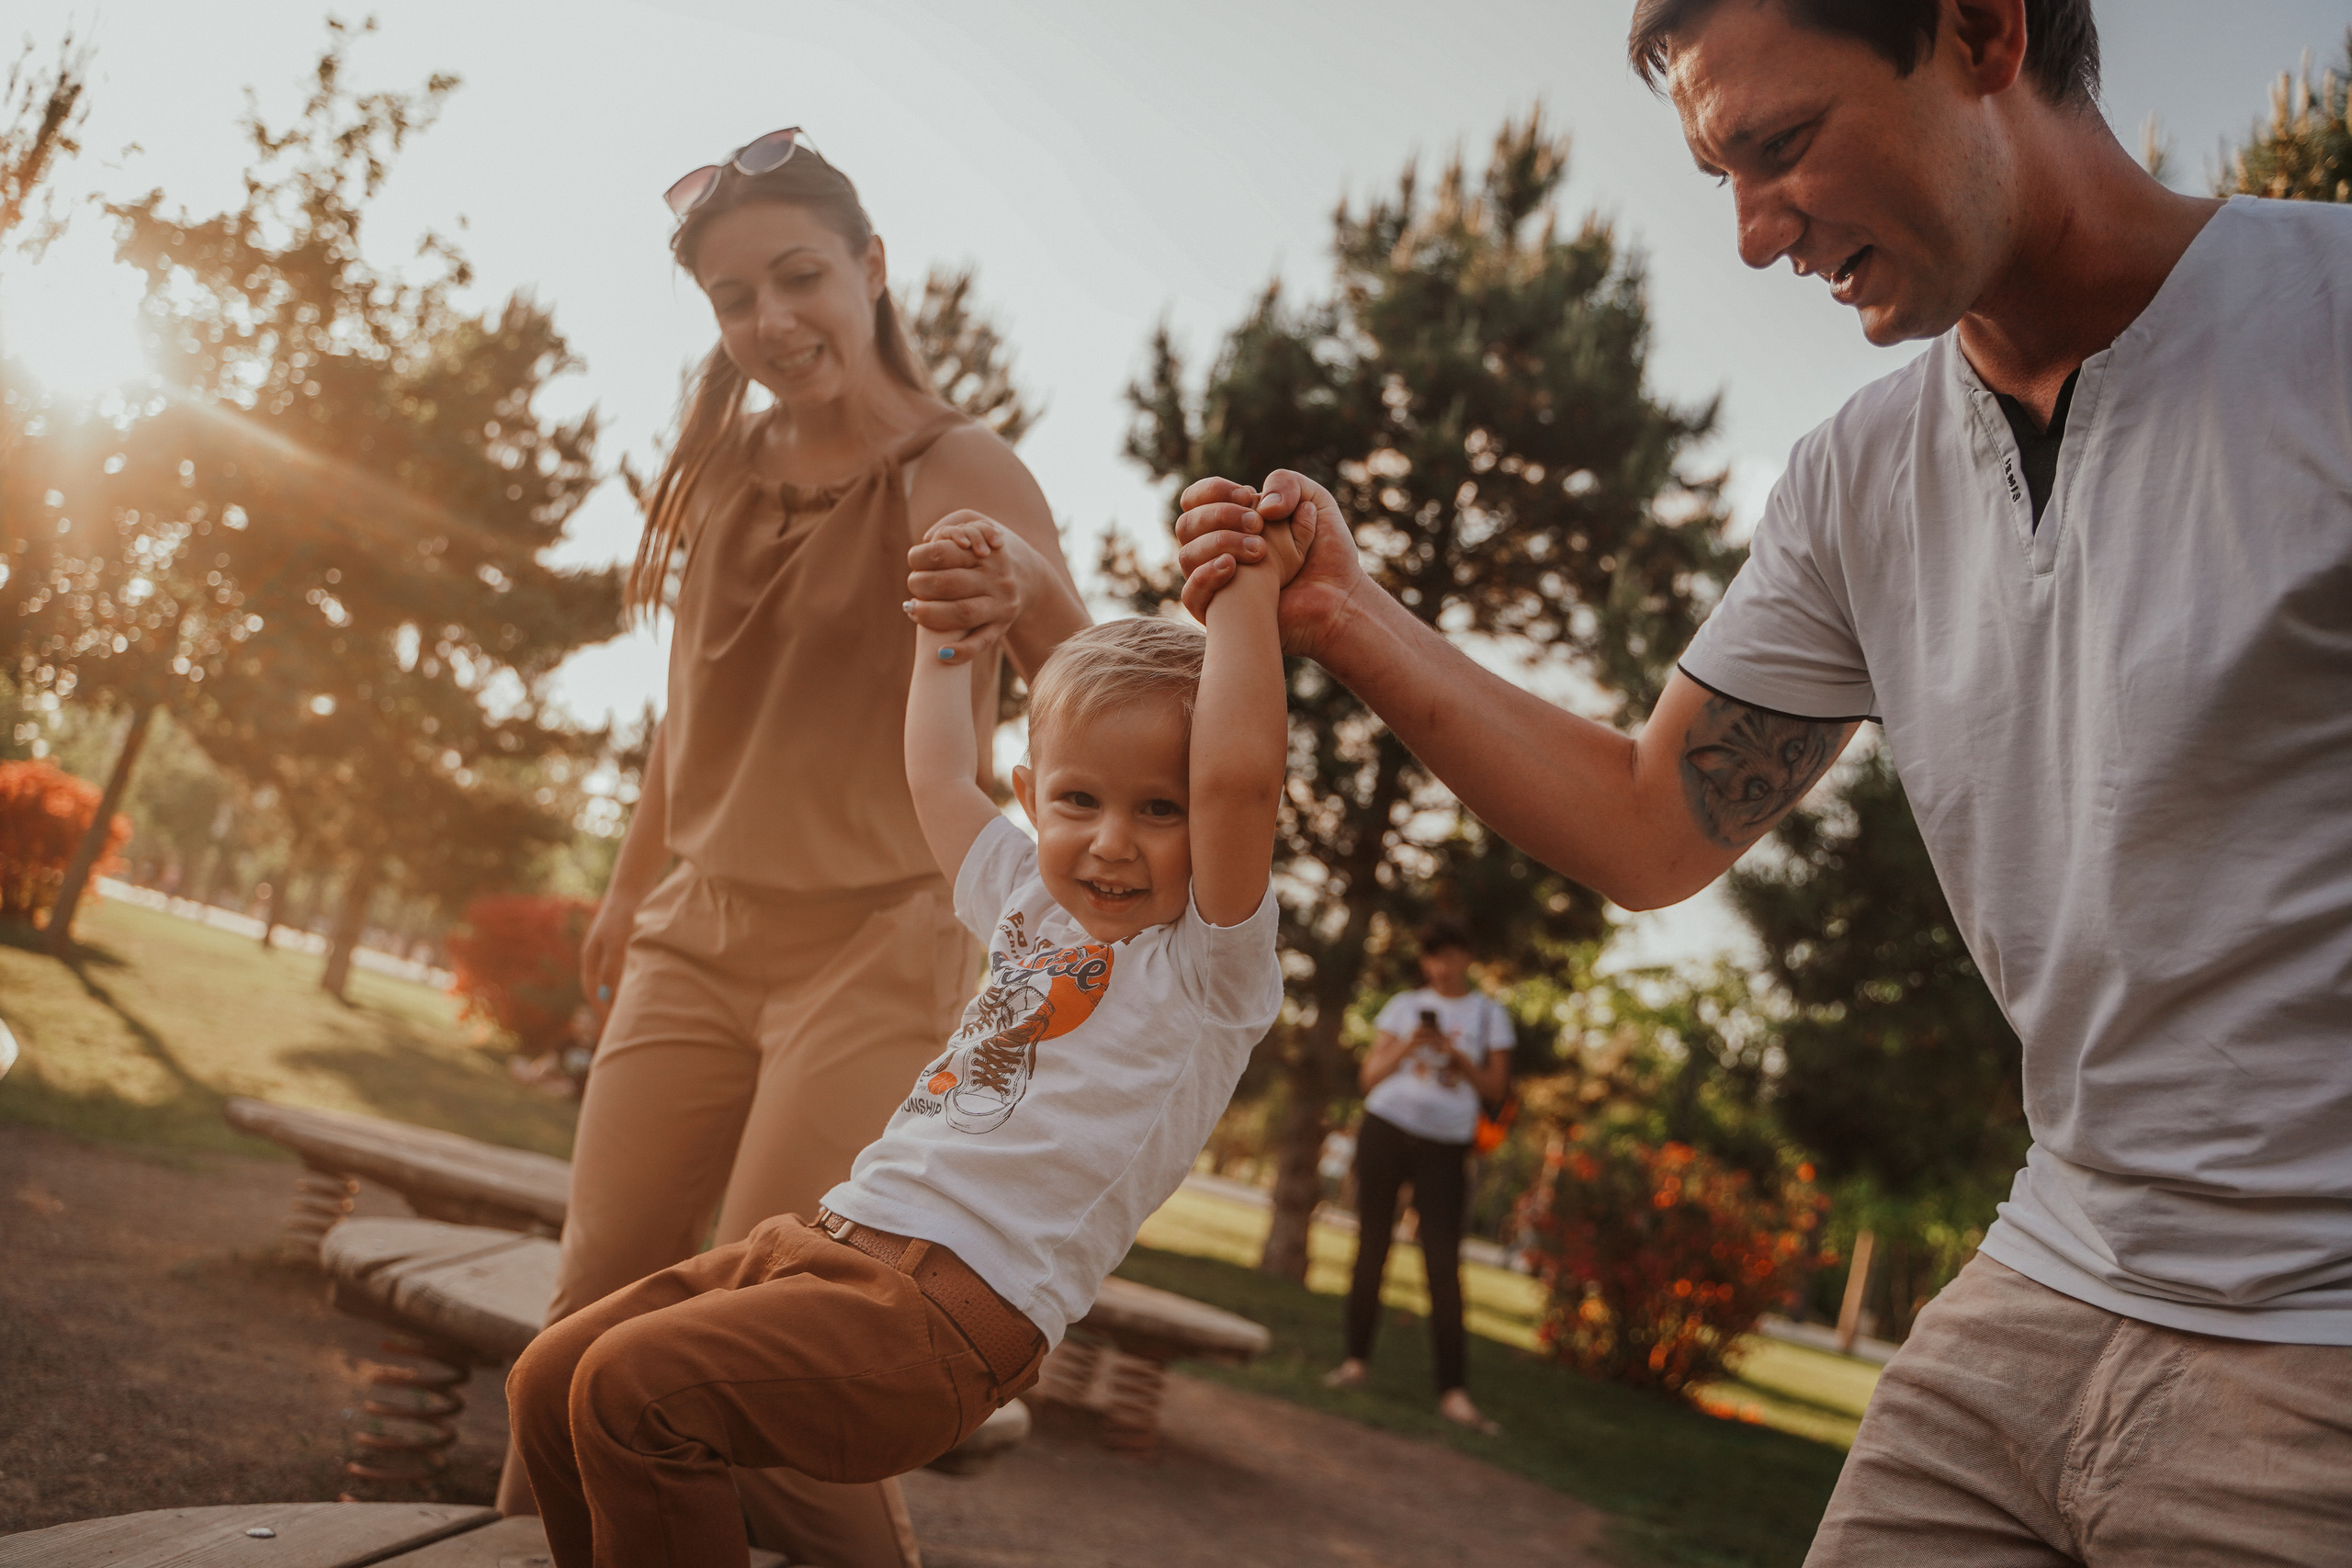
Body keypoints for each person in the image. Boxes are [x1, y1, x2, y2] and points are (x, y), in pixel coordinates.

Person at [1173, 1, 2352, 1560]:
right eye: (1722, 172)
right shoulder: (1859, 481)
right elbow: (1651, 824)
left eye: (1781, 150)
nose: (1748, 236)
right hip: (2046, 1282)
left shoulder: (2324, 329)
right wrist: (1347, 615)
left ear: (1983, 33)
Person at [497, 130, 1089, 1565]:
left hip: (881, 944)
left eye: (801, 276)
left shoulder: (963, 465)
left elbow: (1093, 696)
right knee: (589, 1306)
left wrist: (1028, 594)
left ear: (873, 271)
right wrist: (635, 886)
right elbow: (691, 704)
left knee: (754, 1341)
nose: (770, 320)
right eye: (732, 296)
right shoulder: (721, 465)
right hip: (696, 931)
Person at [507, 513, 1296, 1568]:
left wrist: (1244, 582)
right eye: (1078, 800)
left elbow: (1241, 776)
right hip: (821, 1250)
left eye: (1162, 809)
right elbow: (933, 773)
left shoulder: (1206, 967)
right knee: (555, 1374)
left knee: (632, 1393)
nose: (1111, 841)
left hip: (942, 1323)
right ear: (1031, 797)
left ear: (1214, 822)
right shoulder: (1024, 898)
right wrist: (945, 637)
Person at [1323, 919, 1510, 1434]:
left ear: (1467, 957)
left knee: (1443, 1264)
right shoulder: (1403, 1007)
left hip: (1445, 1146)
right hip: (1386, 1129)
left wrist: (1456, 1056)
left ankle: (1454, 1392)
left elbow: (1496, 1089)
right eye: (1432, 957)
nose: (1441, 966)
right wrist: (1408, 1046)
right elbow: (1369, 1077)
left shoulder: (1489, 1015)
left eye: (1450, 955)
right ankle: (1354, 1362)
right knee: (1372, 1247)